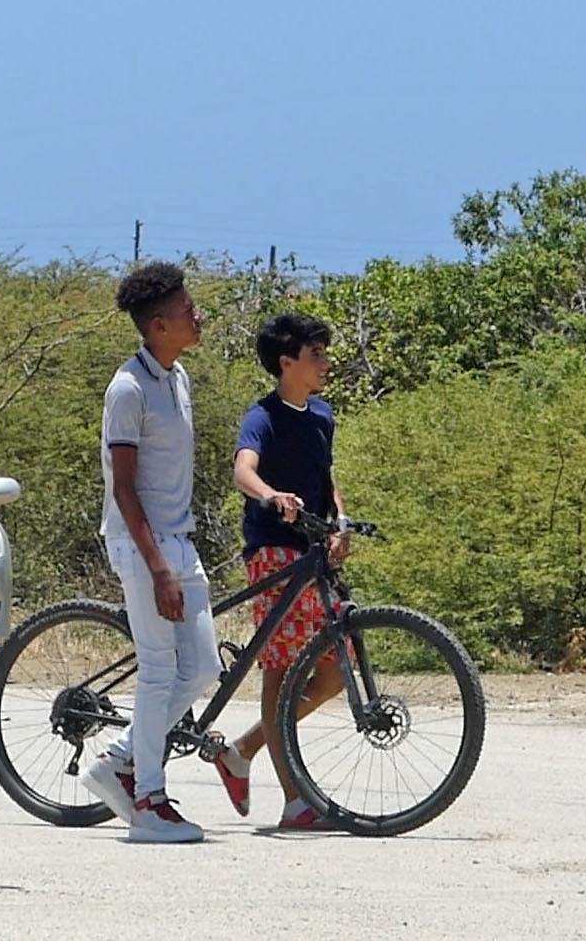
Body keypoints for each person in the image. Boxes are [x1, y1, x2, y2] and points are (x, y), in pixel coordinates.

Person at [79, 262, 223, 844]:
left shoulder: (177, 376)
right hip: (141, 545)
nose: (198, 314)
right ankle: (148, 804)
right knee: (159, 670)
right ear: (159, 324)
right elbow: (124, 487)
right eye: (188, 309)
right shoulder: (128, 389)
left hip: (178, 540)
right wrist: (158, 568)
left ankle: (119, 760)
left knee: (204, 666)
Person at [208, 312, 350, 830]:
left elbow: (327, 478)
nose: (326, 362)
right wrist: (271, 496)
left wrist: (342, 522)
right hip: (274, 550)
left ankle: (243, 749)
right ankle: (295, 803)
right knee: (282, 669)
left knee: (335, 670)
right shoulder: (262, 416)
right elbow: (243, 467)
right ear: (287, 362)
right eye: (316, 355)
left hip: (315, 552)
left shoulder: (322, 416)